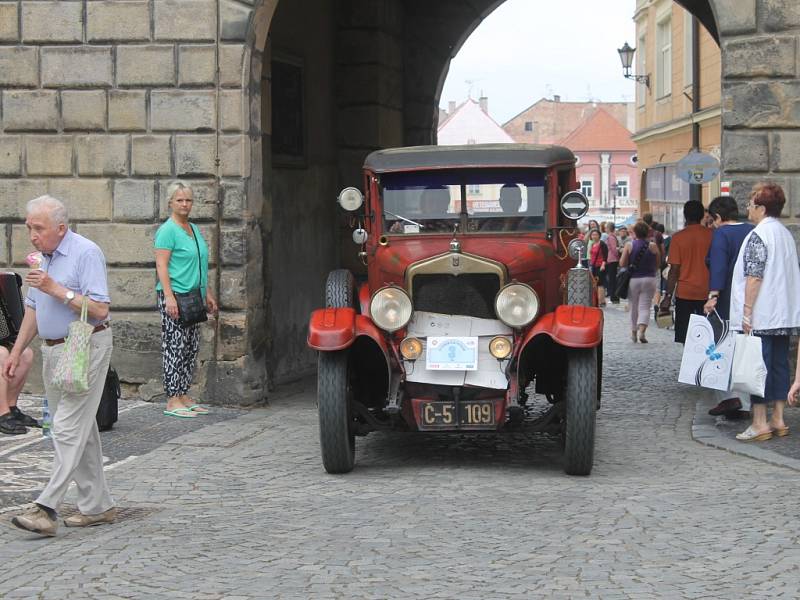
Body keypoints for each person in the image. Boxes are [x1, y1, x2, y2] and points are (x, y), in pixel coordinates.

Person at [4, 195, 116, 536]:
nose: (32, 235)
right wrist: (16, 350)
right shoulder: (42, 259)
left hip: (84, 346)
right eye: (28, 228)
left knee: (66, 428)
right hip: (53, 350)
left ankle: (46, 507)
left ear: (61, 228)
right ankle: (98, 507)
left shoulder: (86, 253)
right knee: (82, 431)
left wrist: (58, 290)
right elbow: (33, 310)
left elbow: (100, 309)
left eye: (38, 228)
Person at [729, 183, 800, 442]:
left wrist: (747, 312)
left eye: (750, 204)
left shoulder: (759, 235)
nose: (748, 209)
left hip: (763, 314)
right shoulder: (784, 234)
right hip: (784, 313)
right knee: (779, 365)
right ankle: (778, 418)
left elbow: (754, 276)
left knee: (757, 369)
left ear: (761, 208)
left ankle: (759, 422)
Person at [155, 182, 218, 418]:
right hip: (175, 295)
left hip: (193, 296)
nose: (185, 204)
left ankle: (183, 394)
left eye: (188, 200)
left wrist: (208, 294)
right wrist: (169, 297)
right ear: (171, 203)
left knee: (190, 347)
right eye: (180, 200)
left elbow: (200, 265)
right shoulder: (167, 230)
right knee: (174, 347)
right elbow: (161, 265)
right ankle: (172, 399)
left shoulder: (193, 228)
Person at [703, 195, 754, 419]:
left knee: (719, 348)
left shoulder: (721, 234)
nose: (711, 224)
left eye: (711, 220)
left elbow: (719, 267)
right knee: (747, 350)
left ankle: (727, 397)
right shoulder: (753, 230)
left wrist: (713, 295)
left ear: (718, 217)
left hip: (727, 300)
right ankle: (745, 402)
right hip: (752, 299)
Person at [659, 200, 713, 344]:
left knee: (686, 335)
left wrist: (667, 296)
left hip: (685, 293)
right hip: (707, 292)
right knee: (707, 334)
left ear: (685, 216)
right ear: (702, 215)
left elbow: (674, 270)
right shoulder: (712, 235)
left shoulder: (678, 238)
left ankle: (689, 362)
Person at [620, 221, 660, 343]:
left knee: (633, 306)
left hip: (634, 279)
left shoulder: (629, 245)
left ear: (635, 232)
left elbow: (622, 263)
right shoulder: (653, 246)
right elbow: (658, 263)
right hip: (649, 278)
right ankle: (642, 331)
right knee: (645, 306)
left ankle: (633, 332)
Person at [587, 229, 608, 306]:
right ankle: (602, 301)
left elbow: (605, 256)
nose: (594, 236)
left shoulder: (602, 244)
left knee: (600, 283)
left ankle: (600, 301)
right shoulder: (592, 244)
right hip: (594, 265)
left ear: (599, 235)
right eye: (593, 235)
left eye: (596, 234)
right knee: (596, 283)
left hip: (600, 266)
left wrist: (603, 265)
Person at [604, 222, 620, 304]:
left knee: (612, 279)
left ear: (609, 228)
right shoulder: (611, 237)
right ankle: (613, 296)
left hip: (612, 260)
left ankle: (614, 297)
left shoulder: (611, 237)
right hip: (612, 259)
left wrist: (617, 257)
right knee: (612, 278)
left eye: (606, 228)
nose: (605, 229)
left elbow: (614, 249)